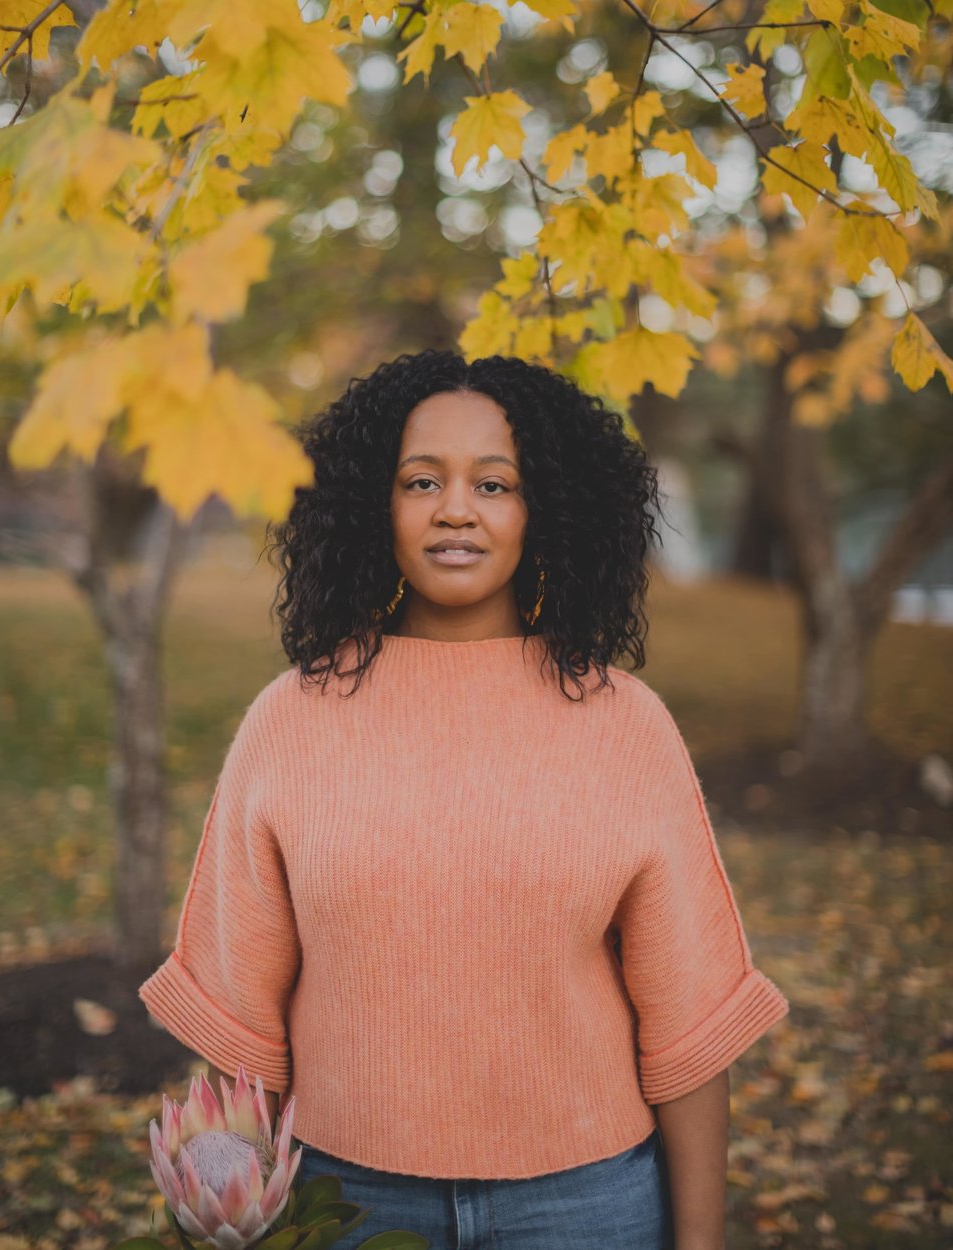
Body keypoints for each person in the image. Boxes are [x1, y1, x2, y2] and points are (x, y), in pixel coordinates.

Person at [139, 348, 789, 1250]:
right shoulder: (291, 719)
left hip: (585, 1204)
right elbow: (242, 1032)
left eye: (495, 483)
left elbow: (687, 1030)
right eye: (420, 480)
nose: (455, 509)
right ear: (377, 504)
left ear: (546, 510)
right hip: (346, 1200)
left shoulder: (625, 725)